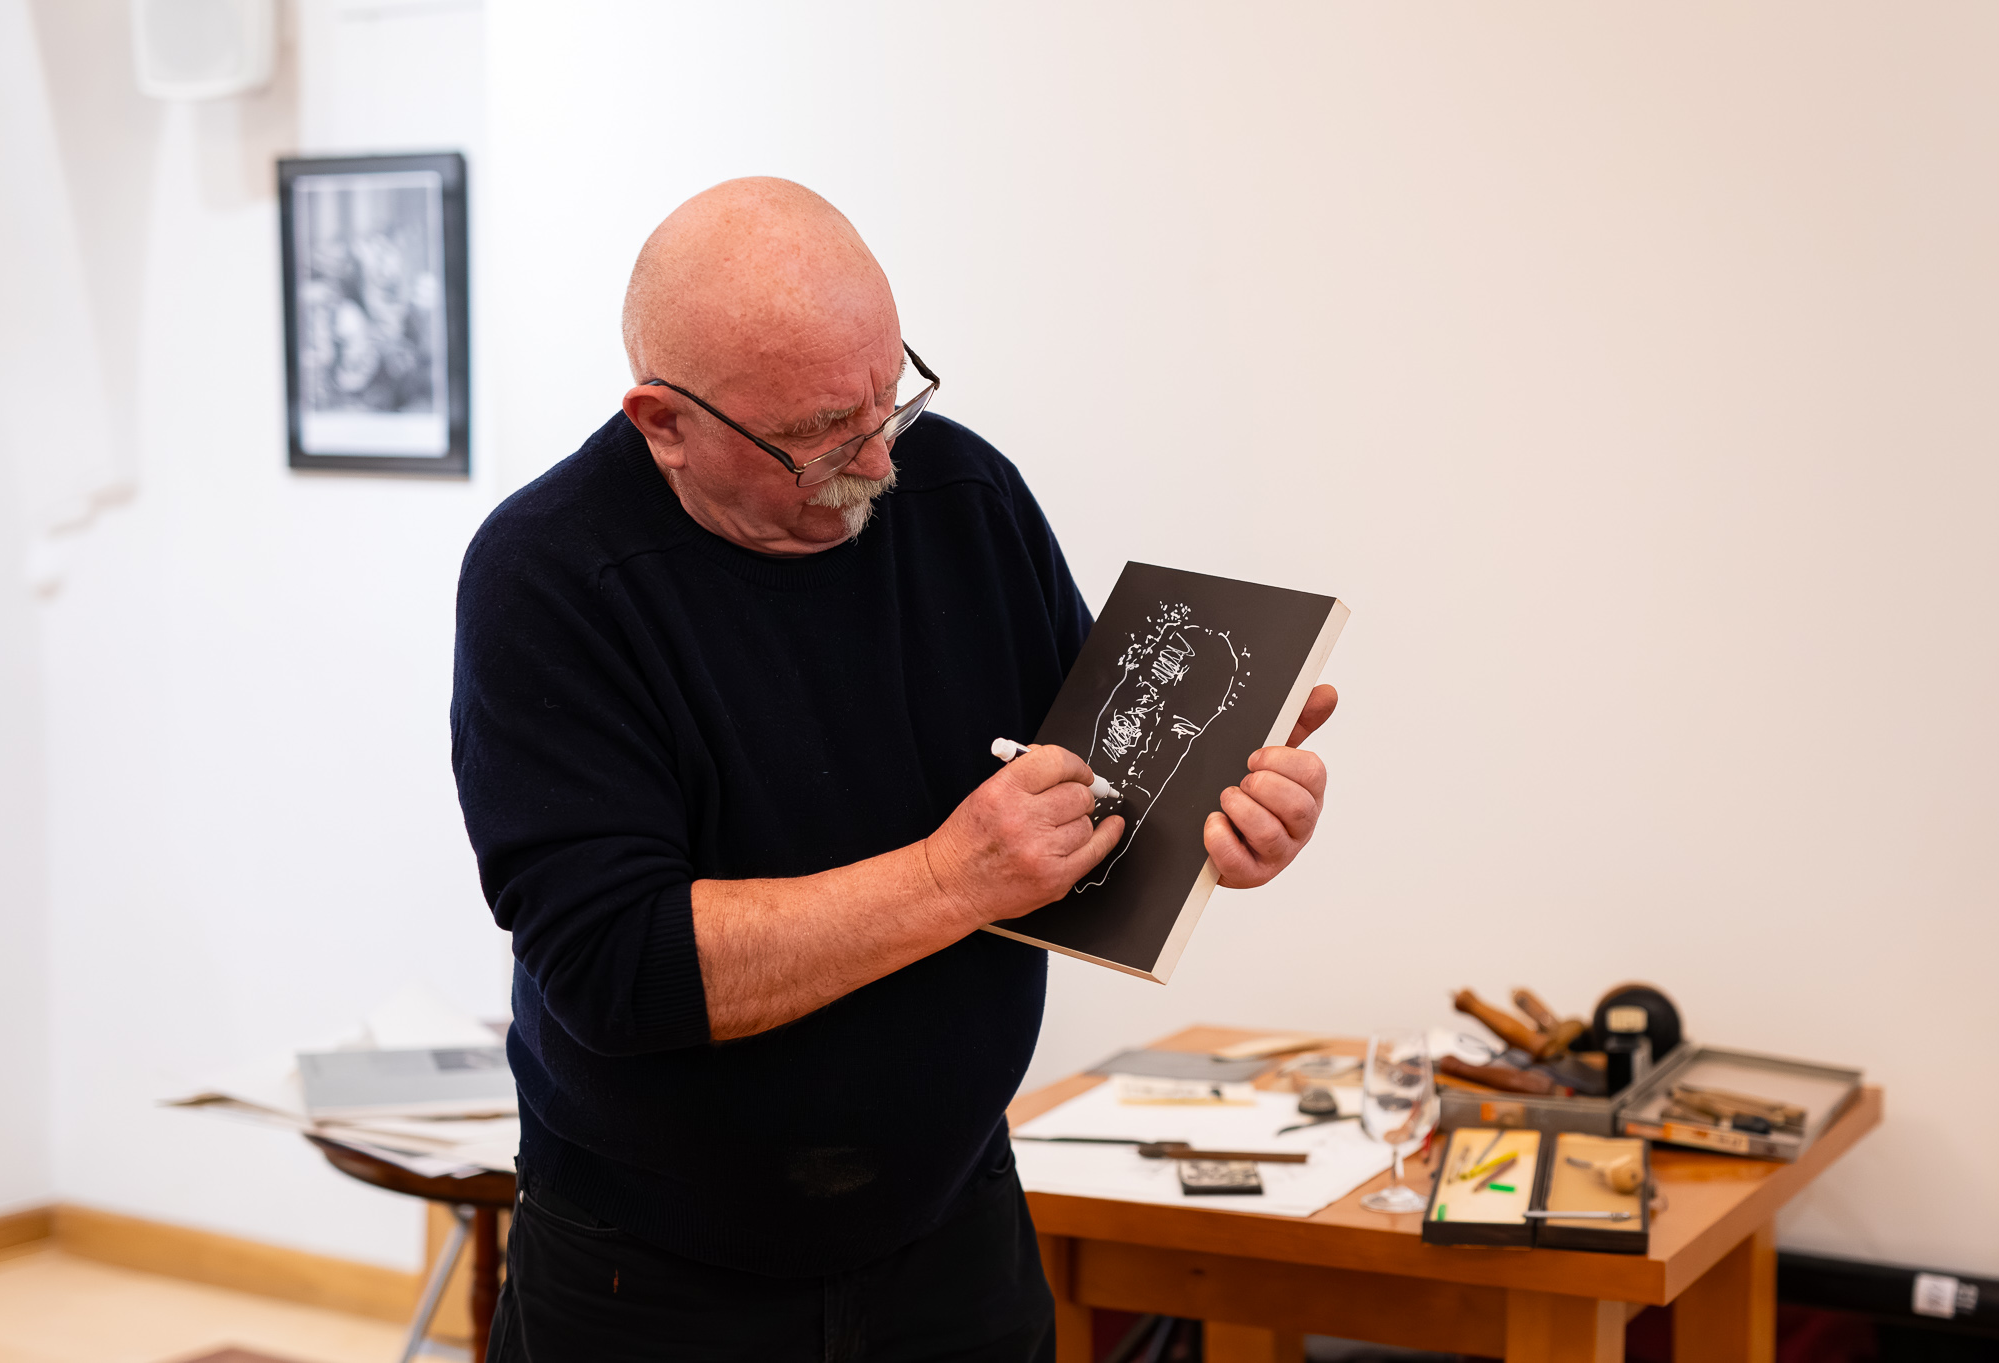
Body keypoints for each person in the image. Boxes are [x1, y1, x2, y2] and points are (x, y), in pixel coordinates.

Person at [451, 178, 1336, 1362]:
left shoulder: (962, 492)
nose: (877, 458)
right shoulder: (547, 577)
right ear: (664, 422)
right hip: (655, 1272)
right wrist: (949, 878)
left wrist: (1224, 821)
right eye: (822, 432)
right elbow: (617, 970)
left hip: (952, 1228)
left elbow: (1091, 810)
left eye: (891, 395)